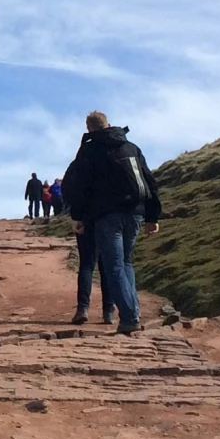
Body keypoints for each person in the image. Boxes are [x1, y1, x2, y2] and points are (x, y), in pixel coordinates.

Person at [59, 111, 162, 334]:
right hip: (135, 212)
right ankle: (132, 311)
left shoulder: (89, 150)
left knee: (113, 265)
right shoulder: (131, 147)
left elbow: (80, 187)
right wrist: (152, 216)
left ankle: (129, 317)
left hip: (107, 216)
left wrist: (78, 216)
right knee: (125, 262)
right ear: (110, 124)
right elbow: (149, 181)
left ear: (89, 130)